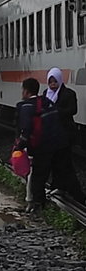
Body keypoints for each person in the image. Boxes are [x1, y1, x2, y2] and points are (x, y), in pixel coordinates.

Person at [15, 78, 86, 212]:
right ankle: (80, 199)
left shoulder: (25, 107)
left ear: (25, 91)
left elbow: (25, 129)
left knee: (38, 176)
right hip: (60, 143)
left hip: (43, 146)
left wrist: (19, 146)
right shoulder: (46, 101)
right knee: (66, 171)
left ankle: (38, 204)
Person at [43, 67, 85, 201]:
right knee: (55, 161)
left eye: (55, 81)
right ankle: (59, 186)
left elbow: (72, 110)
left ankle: (77, 194)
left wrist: (56, 111)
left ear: (60, 80)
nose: (52, 84)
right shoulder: (46, 93)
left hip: (65, 133)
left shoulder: (69, 93)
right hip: (52, 134)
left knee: (65, 163)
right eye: (50, 81)